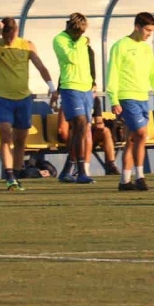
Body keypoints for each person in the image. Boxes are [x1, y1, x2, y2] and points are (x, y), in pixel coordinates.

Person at [0, 16, 55, 191]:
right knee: (5, 135)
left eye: (12, 35)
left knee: (20, 140)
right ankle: (8, 174)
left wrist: (52, 87)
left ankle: (16, 173)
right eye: (6, 35)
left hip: (23, 99)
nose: (9, 39)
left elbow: (40, 66)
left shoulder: (27, 45)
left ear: (16, 31)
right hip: (3, 99)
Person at [108, 12, 154, 191]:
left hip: (143, 97)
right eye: (147, 30)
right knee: (142, 134)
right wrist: (113, 99)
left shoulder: (146, 49)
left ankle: (124, 180)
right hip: (127, 97)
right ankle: (140, 177)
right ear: (137, 27)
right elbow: (112, 73)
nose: (149, 34)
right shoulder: (120, 46)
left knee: (132, 139)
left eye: (151, 31)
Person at [50, 12, 95, 184]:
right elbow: (72, 58)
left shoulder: (83, 41)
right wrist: (79, 41)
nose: (80, 35)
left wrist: (92, 83)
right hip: (70, 88)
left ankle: (67, 169)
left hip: (85, 89)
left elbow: (87, 62)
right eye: (78, 32)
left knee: (81, 130)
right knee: (80, 124)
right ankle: (81, 171)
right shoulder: (60, 40)